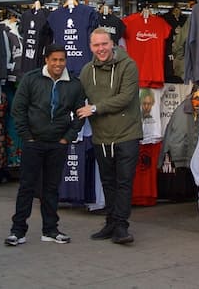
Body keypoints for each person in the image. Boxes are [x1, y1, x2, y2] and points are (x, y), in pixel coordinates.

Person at [6, 44, 86, 246]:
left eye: (62, 60)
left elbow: (80, 113)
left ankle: (50, 230)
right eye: (54, 60)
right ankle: (18, 231)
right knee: (27, 186)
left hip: (57, 144)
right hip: (34, 142)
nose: (58, 64)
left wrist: (67, 138)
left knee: (51, 188)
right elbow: (18, 109)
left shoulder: (74, 84)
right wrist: (27, 136)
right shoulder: (31, 79)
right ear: (46, 60)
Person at [77, 29, 141, 245]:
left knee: (124, 181)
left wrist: (95, 109)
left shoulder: (128, 66)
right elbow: (77, 97)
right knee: (108, 182)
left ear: (112, 43)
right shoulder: (87, 71)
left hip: (127, 133)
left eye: (104, 44)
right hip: (101, 136)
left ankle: (121, 225)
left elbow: (125, 97)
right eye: (96, 45)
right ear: (90, 47)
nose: (101, 49)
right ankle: (111, 222)